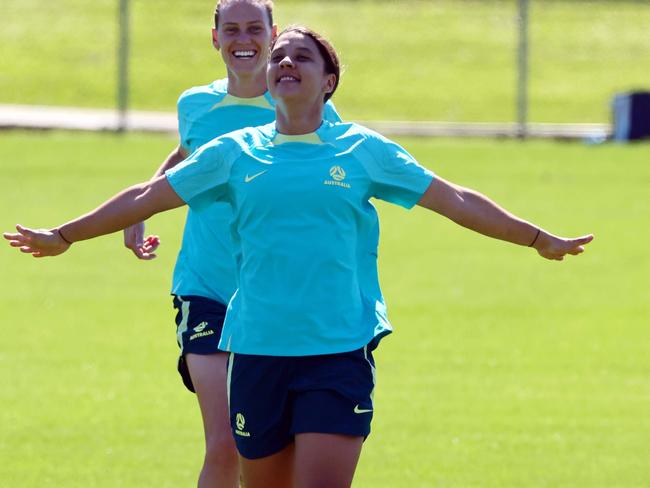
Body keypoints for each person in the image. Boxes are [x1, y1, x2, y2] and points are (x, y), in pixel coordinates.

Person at [4, 25, 593, 488]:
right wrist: (66, 234)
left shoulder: (363, 150)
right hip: (255, 350)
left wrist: (537, 237)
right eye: (278, 57)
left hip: (337, 348)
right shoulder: (233, 152)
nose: (285, 63)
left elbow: (455, 199)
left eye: (302, 57)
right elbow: (146, 196)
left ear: (329, 81)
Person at [125, 2, 341, 487]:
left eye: (254, 28)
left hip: (275, 300)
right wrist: (143, 202)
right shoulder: (195, 104)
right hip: (206, 287)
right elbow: (189, 154)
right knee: (224, 444)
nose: (243, 39)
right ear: (215, 37)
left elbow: (336, 171)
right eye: (231, 29)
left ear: (273, 34)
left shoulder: (302, 101)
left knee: (266, 450)